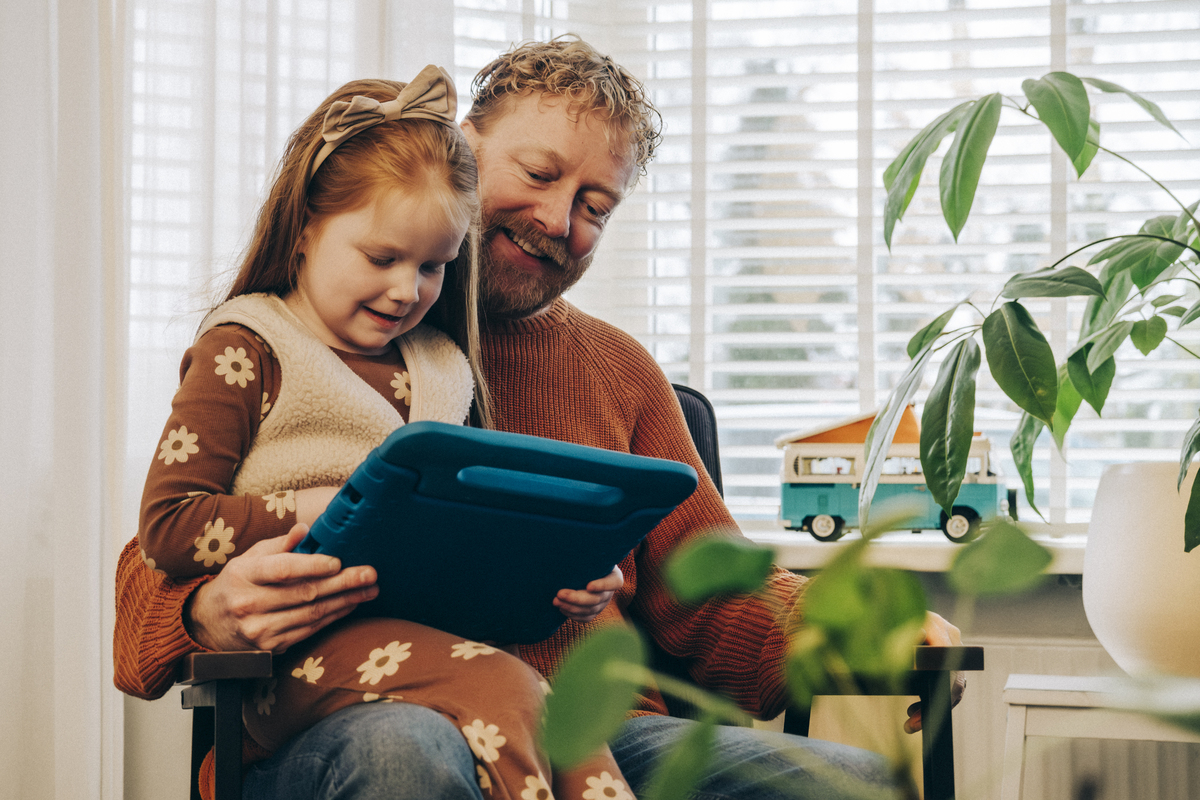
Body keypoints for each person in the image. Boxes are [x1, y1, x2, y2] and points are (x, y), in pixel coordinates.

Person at [114, 37, 963, 800]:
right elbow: (161, 552)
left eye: (597, 205)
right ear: (462, 153)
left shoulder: (610, 370)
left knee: (849, 786)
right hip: (357, 718)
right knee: (411, 752)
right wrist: (204, 612)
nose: (560, 221)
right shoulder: (294, 339)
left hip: (588, 734)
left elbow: (716, 590)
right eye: (540, 173)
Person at [131, 63, 630, 800]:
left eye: (433, 266)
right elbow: (168, 527)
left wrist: (565, 568)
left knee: (557, 718)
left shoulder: (443, 364)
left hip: (439, 654)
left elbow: (468, 537)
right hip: (298, 671)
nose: (407, 290)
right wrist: (316, 507)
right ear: (304, 229)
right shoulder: (247, 347)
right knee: (510, 691)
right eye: (383, 258)